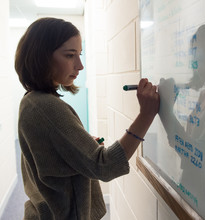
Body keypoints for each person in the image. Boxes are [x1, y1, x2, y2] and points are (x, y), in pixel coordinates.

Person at [15, 17, 160, 220]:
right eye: (70, 55)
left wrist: (79, 149)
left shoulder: (31, 100)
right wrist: (146, 115)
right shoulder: (46, 107)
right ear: (42, 57)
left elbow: (47, 160)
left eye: (79, 55)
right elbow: (105, 166)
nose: (80, 65)